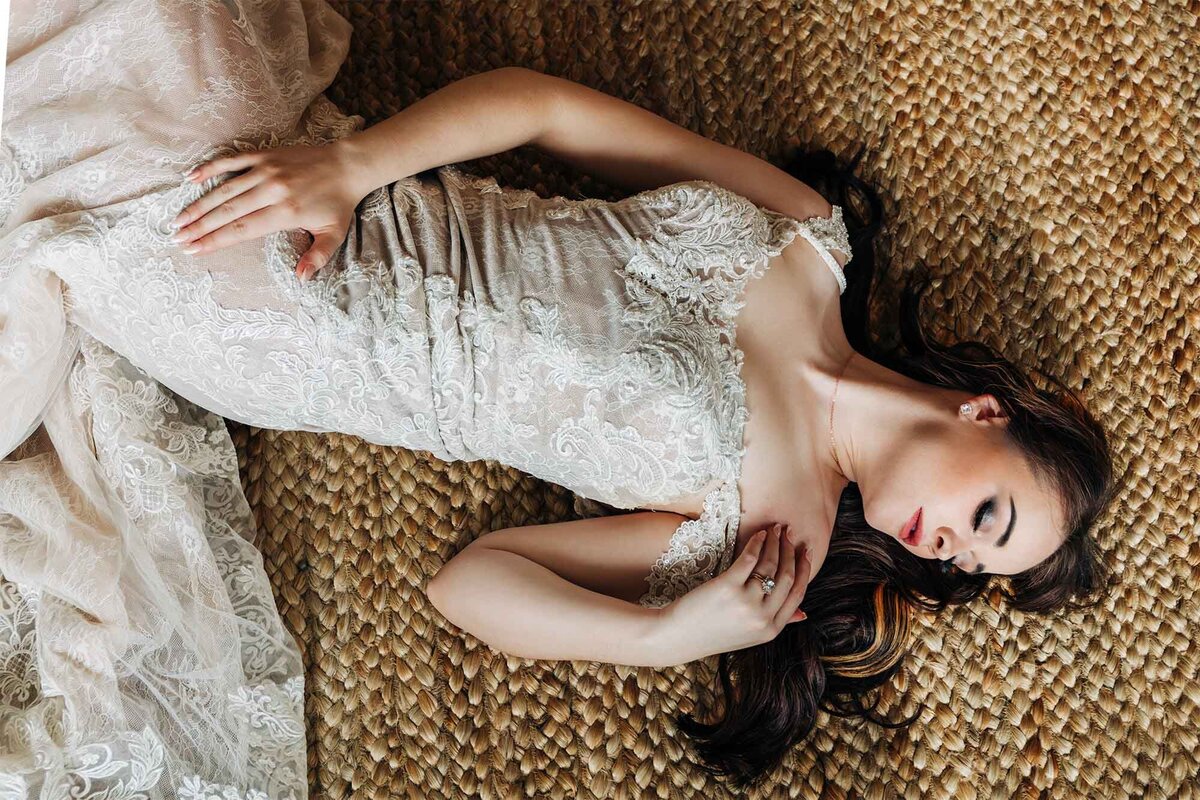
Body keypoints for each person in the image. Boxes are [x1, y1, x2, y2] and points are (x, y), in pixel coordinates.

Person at [0, 1, 1117, 796]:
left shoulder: (781, 537)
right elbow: (547, 111)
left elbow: (470, 583)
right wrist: (355, 167)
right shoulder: (804, 237)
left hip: (277, 320)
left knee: (100, 144)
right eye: (991, 519)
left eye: (972, 564)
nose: (952, 551)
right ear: (990, 412)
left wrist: (669, 631)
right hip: (332, 182)